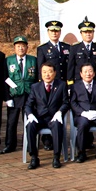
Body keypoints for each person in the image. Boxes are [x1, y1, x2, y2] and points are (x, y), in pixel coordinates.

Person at [24, 63, 69, 169]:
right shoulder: (35, 87)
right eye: (44, 72)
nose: (47, 75)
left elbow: (66, 102)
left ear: (54, 73)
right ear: (41, 73)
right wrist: (30, 114)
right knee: (30, 126)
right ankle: (34, 157)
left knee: (57, 126)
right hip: (39, 117)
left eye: (49, 72)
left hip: (54, 117)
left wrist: (60, 112)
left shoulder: (61, 85)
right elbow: (28, 104)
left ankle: (56, 157)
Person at [37, 20, 70, 150]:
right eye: (52, 31)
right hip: (49, 85)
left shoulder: (67, 47)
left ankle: (59, 136)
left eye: (57, 31)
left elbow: (69, 67)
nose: (54, 33)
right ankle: (47, 140)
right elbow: (41, 69)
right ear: (48, 32)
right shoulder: (43, 49)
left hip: (63, 85)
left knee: (60, 110)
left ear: (60, 32)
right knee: (48, 111)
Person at [70, 63, 96, 162]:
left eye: (90, 71)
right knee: (82, 124)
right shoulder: (75, 86)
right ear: (81, 74)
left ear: (94, 73)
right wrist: (82, 113)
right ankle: (81, 152)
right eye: (85, 71)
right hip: (82, 115)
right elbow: (73, 102)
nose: (88, 74)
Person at [3, 36, 37, 154]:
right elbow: (5, 78)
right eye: (18, 46)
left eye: (23, 46)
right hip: (15, 94)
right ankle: (10, 145)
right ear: (14, 48)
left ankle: (29, 143)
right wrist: (7, 97)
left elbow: (37, 78)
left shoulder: (33, 60)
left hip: (29, 94)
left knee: (28, 120)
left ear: (27, 47)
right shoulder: (8, 60)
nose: (21, 48)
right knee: (12, 121)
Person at [67, 18, 96, 86]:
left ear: (93, 33)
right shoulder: (74, 48)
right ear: (81, 33)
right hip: (79, 83)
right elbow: (71, 67)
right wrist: (70, 83)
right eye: (85, 32)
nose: (88, 34)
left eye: (90, 32)